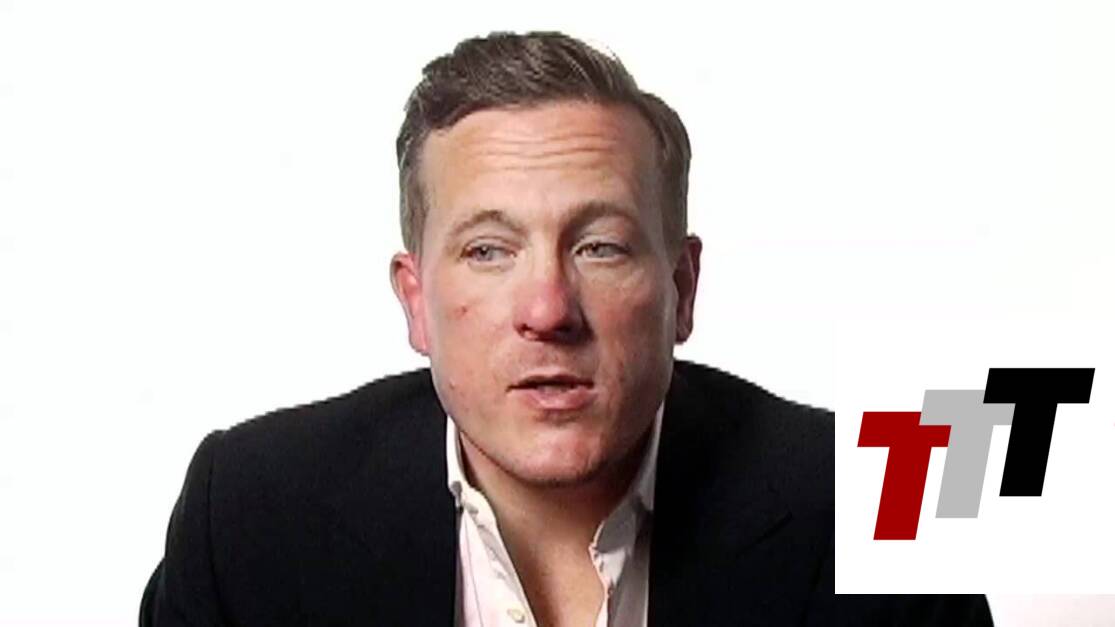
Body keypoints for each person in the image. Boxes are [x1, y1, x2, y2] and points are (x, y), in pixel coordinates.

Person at [141, 31, 993, 626]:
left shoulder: (877, 505)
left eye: (599, 246)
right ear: (415, 301)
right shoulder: (251, 514)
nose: (547, 309)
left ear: (681, 288)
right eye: (487, 250)